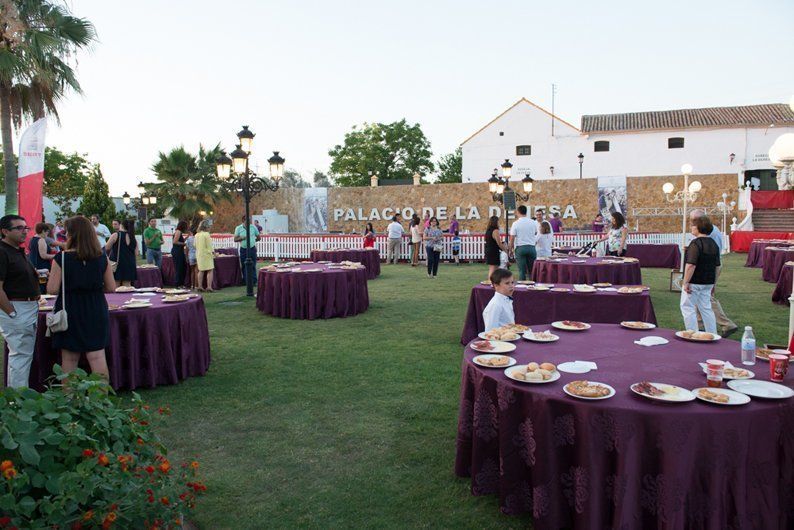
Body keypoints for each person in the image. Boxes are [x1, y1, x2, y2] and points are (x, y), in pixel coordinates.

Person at [47, 216, 115, 381]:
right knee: (97, 356)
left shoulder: (61, 258)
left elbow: (52, 289)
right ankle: (100, 400)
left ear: (71, 234)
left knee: (69, 358)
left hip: (71, 308)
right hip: (96, 307)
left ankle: (69, 401)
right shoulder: (101, 257)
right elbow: (111, 287)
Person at [0, 215, 41, 388]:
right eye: (19, 228)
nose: (24, 231)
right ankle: (17, 403)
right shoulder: (2, 252)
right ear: (4, 231)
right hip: (17, 308)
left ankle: (19, 399)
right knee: (20, 356)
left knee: (23, 355)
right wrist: (12, 313)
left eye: (26, 228)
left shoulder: (16, 250)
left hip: (27, 307)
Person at [690, 209, 738, 337]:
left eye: (694, 222)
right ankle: (700, 325)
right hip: (712, 264)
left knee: (706, 298)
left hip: (709, 266)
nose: (692, 225)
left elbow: (705, 251)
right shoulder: (713, 229)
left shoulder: (708, 233)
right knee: (700, 297)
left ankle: (727, 324)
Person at [680, 215, 720, 335]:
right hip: (708, 281)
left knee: (687, 307)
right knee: (706, 308)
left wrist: (686, 282)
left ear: (698, 227)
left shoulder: (696, 243)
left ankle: (692, 334)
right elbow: (717, 266)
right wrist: (714, 283)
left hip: (694, 281)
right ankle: (712, 334)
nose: (691, 228)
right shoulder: (714, 244)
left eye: (693, 225)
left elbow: (691, 265)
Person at [510, 205, 538, 282]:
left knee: (522, 271)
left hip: (521, 247)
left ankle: (522, 287)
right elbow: (535, 233)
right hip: (531, 247)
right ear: (526, 212)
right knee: (531, 270)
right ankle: (533, 286)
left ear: (518, 212)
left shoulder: (515, 223)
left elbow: (512, 238)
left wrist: (510, 249)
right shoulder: (533, 222)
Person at [106, 219, 138, 288]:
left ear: (121, 225)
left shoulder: (116, 235)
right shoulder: (133, 237)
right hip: (130, 264)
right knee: (127, 287)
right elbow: (136, 253)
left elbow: (107, 247)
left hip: (118, 264)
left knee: (116, 286)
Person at [483, 268, 515, 332]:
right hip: (500, 340)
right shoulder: (495, 305)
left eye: (512, 282)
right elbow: (490, 330)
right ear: (496, 285)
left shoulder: (506, 299)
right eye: (507, 283)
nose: (511, 286)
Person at [234, 216, 259, 286]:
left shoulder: (253, 227)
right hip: (243, 249)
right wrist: (241, 238)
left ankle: (254, 281)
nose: (249, 222)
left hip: (252, 248)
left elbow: (259, 237)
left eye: (249, 220)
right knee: (244, 265)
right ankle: (245, 280)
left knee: (253, 264)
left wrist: (253, 241)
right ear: (243, 220)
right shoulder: (238, 228)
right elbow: (235, 239)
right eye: (247, 220)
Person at [484, 216, 509, 282]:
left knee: (492, 268)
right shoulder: (495, 231)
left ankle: (492, 282)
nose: (499, 223)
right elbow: (499, 243)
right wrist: (505, 250)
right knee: (493, 268)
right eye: (498, 222)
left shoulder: (488, 230)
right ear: (496, 222)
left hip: (489, 250)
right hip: (493, 251)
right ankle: (490, 282)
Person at [195, 220, 215, 292]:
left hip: (199, 254)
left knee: (201, 270)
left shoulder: (197, 235)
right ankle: (209, 287)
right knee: (210, 270)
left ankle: (200, 286)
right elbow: (209, 246)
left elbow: (194, 245)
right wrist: (213, 253)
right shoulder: (206, 234)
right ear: (207, 227)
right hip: (207, 254)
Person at [172, 220, 189, 287]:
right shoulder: (178, 232)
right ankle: (177, 284)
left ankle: (181, 283)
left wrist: (186, 238)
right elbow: (175, 242)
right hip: (177, 252)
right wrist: (184, 244)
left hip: (180, 251)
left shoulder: (180, 232)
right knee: (179, 268)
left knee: (183, 267)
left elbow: (179, 240)